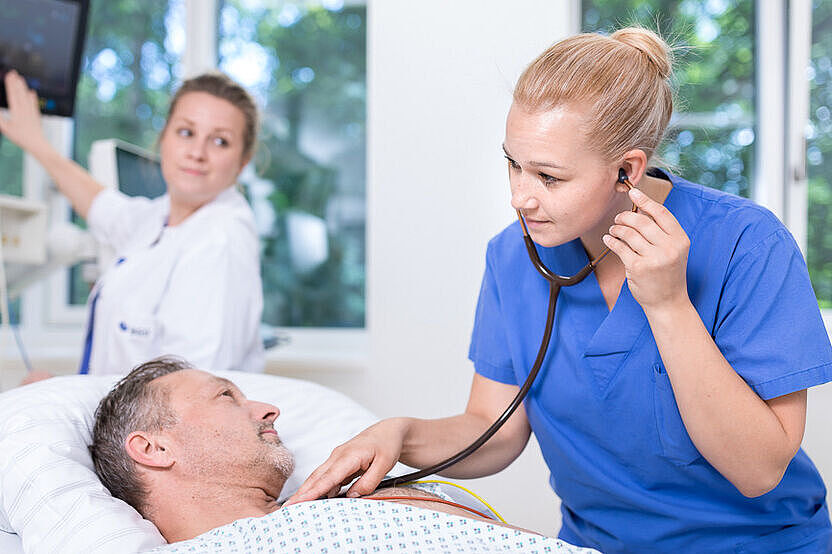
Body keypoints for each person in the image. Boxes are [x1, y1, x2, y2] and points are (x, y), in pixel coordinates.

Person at [286, 27, 832, 553]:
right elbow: (492, 430)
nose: (520, 197)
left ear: (628, 170)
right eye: (512, 165)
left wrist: (668, 304)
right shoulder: (512, 256)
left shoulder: (747, 244)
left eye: (548, 177)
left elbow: (759, 471)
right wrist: (400, 435)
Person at [88, 357, 533, 544]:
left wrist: (399, 431)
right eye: (226, 397)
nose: (269, 410)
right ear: (153, 447)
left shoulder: (319, 511)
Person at [0, 70, 264, 378]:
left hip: (152, 424)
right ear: (163, 137)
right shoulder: (159, 218)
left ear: (242, 161)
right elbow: (102, 206)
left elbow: (193, 396)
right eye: (185, 132)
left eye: (220, 141)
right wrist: (37, 143)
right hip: (124, 417)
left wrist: (63, 400)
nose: (197, 153)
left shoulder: (220, 240)